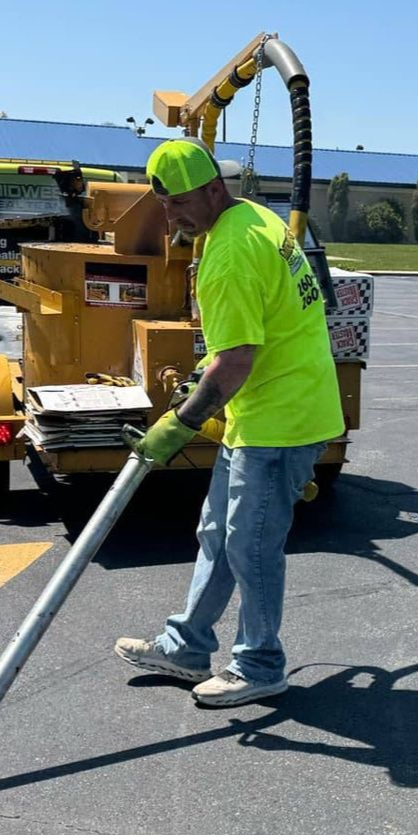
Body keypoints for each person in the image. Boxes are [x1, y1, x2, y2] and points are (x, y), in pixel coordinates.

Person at [114, 139, 345, 705]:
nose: (173, 216)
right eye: (165, 206)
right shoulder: (256, 220)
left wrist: (181, 424)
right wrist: (203, 380)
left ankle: (260, 664)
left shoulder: (229, 256)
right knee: (218, 533)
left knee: (252, 546)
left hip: (280, 420)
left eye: (182, 202)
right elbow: (248, 339)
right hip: (273, 408)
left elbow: (237, 358)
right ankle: (186, 645)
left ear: (216, 188)